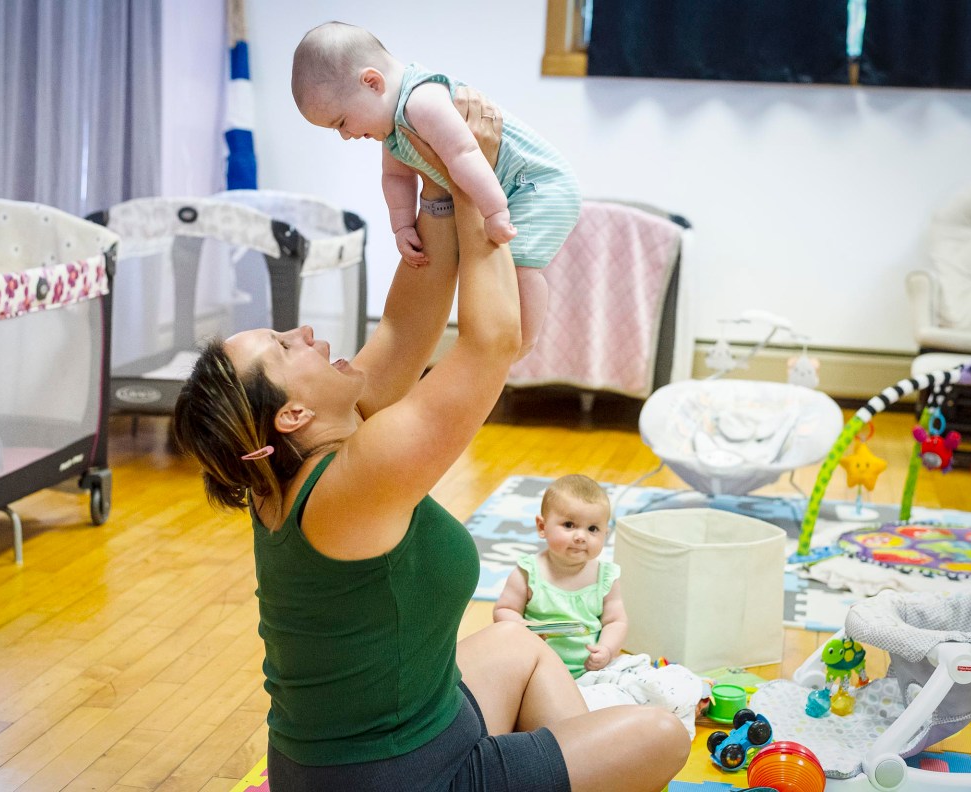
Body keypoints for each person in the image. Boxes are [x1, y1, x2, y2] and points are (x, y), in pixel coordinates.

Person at [175, 88, 687, 791]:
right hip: (396, 781)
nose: (306, 333)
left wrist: (439, 183)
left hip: (382, 746)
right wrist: (476, 178)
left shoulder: (308, 458)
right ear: (290, 415)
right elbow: (492, 342)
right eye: (284, 345)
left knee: (519, 644)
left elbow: (406, 326)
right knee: (660, 736)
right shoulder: (356, 479)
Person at [291, 21, 581, 357]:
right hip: (510, 188)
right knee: (496, 266)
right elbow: (396, 178)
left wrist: (496, 211)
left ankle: (524, 341)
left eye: (341, 122)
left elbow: (466, 154)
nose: (345, 135)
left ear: (372, 82)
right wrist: (401, 226)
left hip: (537, 183)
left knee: (520, 264)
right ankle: (510, 341)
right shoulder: (393, 130)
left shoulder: (421, 101)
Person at [493, 475, 626, 678]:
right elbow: (504, 609)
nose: (580, 536)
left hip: (590, 671)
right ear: (541, 527)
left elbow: (616, 621)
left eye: (592, 529)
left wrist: (606, 650)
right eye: (569, 525)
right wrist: (522, 627)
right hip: (534, 671)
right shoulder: (528, 573)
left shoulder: (605, 577)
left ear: (605, 535)